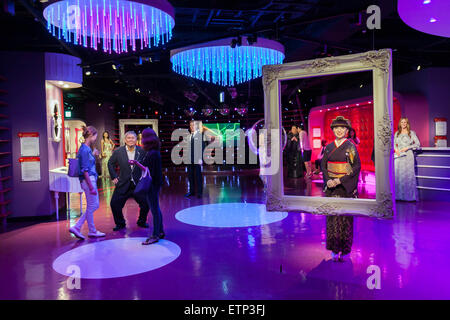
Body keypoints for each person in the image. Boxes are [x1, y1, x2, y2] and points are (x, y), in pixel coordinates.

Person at [321, 116, 361, 262]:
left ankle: (344, 249)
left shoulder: (350, 146)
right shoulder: (329, 147)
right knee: (332, 217)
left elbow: (356, 167)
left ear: (347, 130)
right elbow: (323, 166)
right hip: (332, 187)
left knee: (345, 218)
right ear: (332, 130)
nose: (339, 130)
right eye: (336, 128)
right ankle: (333, 248)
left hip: (344, 187)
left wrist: (340, 180)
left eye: (342, 128)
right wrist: (329, 180)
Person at [129, 128, 165, 245]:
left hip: (152, 184)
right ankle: (160, 231)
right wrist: (137, 163)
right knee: (156, 208)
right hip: (156, 183)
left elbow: (148, 170)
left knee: (154, 209)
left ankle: (155, 235)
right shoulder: (155, 152)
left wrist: (137, 164)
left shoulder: (151, 153)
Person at [108, 131, 149, 231]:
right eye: (128, 138)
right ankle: (120, 223)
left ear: (136, 140)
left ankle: (141, 221)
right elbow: (110, 163)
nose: (131, 140)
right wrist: (114, 176)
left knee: (146, 203)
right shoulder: (118, 151)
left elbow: (147, 165)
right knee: (114, 204)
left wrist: (145, 177)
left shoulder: (142, 151)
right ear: (125, 140)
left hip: (138, 183)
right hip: (123, 183)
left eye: (133, 138)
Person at [69, 126, 105, 239]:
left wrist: (93, 155)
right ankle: (84, 228)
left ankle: (85, 228)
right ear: (91, 135)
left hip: (89, 179)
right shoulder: (85, 150)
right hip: (88, 179)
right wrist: (91, 186)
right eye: (95, 136)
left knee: (92, 205)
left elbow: (87, 165)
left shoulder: (86, 149)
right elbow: (85, 170)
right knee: (93, 205)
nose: (96, 138)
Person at [394, 117, 420, 201]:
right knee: (399, 176)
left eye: (405, 122)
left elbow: (417, 144)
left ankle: (409, 197)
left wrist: (407, 148)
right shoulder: (397, 133)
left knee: (408, 176)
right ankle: (399, 196)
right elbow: (393, 144)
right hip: (399, 156)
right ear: (400, 123)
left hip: (408, 156)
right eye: (402, 122)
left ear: (407, 123)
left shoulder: (411, 133)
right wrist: (396, 150)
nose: (403, 124)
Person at [185, 120, 205, 198]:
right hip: (189, 160)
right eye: (190, 125)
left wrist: (200, 158)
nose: (192, 127)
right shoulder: (189, 136)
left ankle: (199, 192)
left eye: (193, 125)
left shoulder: (200, 135)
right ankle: (192, 191)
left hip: (197, 159)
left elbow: (202, 147)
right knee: (190, 176)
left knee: (198, 176)